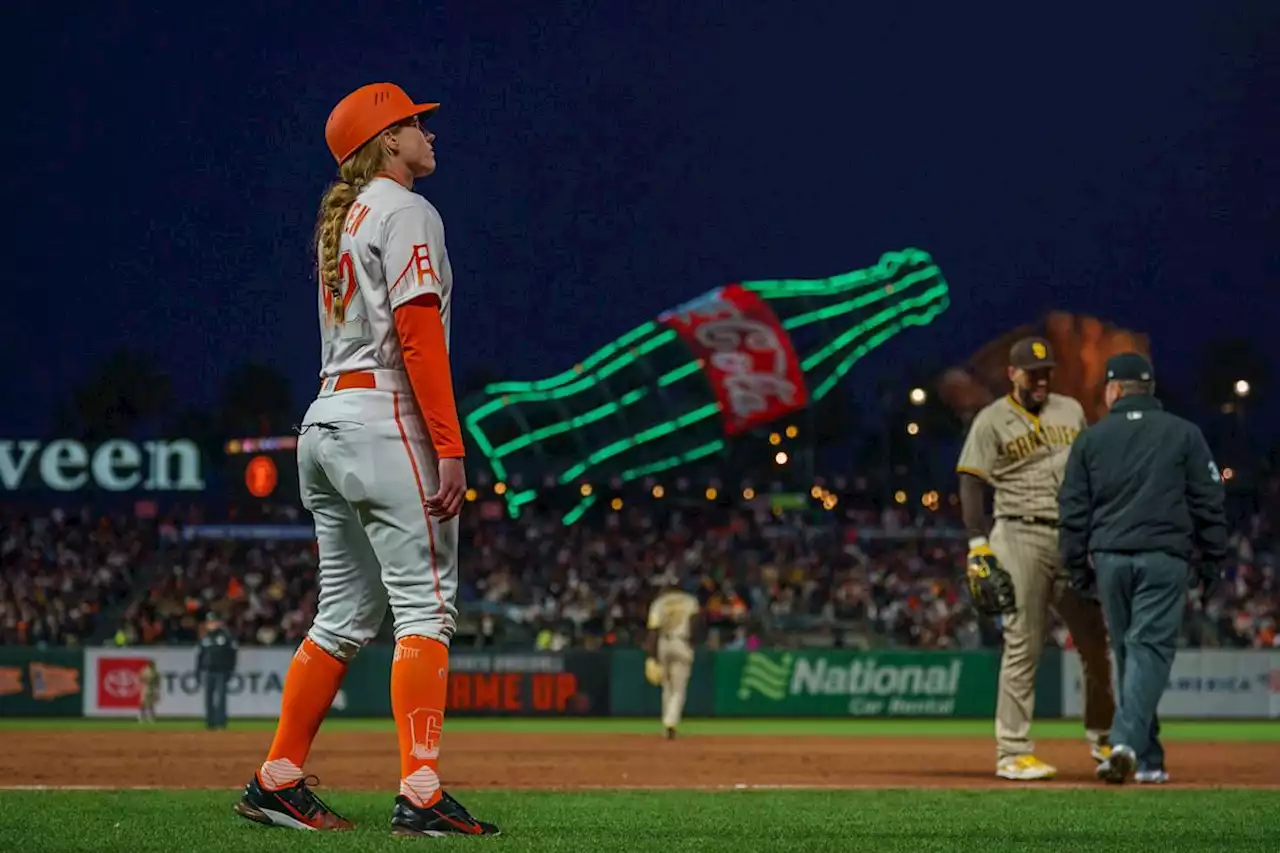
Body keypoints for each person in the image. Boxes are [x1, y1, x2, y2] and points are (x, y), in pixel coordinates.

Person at [232, 82, 498, 837]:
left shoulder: (345, 215)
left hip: (323, 421)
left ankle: (277, 778)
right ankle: (420, 792)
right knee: (426, 608)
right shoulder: (407, 208)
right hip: (387, 417)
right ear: (387, 141)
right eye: (416, 122)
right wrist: (450, 443)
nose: (428, 132)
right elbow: (418, 332)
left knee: (343, 615)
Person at [1058, 352, 1227, 785]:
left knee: (1132, 653)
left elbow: (1073, 510)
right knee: (1148, 648)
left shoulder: (1091, 439)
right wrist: (1213, 560)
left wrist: (1077, 568)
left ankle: (1148, 757)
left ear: (1113, 391)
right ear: (1150, 391)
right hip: (1163, 557)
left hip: (1110, 559)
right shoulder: (1184, 434)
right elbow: (1209, 501)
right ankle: (1127, 744)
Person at [956, 336, 1115, 780]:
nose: (1042, 379)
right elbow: (970, 481)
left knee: (1096, 642)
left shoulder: (1071, 411)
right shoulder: (992, 420)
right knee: (1024, 643)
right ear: (1013, 374)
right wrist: (977, 544)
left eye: (1047, 372)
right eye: (1033, 373)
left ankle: (1103, 740)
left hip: (1069, 537)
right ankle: (1012, 751)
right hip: (1018, 531)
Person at [644, 573, 701, 739]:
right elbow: (696, 623)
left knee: (666, 687)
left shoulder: (659, 603)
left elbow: (653, 631)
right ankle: (670, 722)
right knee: (678, 688)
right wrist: (692, 643)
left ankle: (666, 723)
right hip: (682, 642)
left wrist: (651, 656)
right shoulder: (690, 601)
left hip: (663, 642)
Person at [196, 615, 237, 730]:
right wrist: (198, 672)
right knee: (208, 698)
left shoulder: (225, 636)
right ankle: (210, 722)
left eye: (214, 621)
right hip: (208, 670)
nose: (211, 624)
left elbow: (232, 654)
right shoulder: (205, 638)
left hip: (221, 670)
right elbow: (200, 656)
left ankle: (221, 722)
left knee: (221, 698)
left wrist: (230, 669)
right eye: (210, 622)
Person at [138, 659, 159, 724]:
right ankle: (142, 718)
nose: (152, 665)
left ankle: (151, 718)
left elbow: (157, 682)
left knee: (151, 704)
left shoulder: (155, 672)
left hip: (152, 688)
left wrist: (156, 690)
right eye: (151, 664)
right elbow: (140, 678)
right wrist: (145, 679)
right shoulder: (145, 671)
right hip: (146, 687)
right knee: (143, 704)